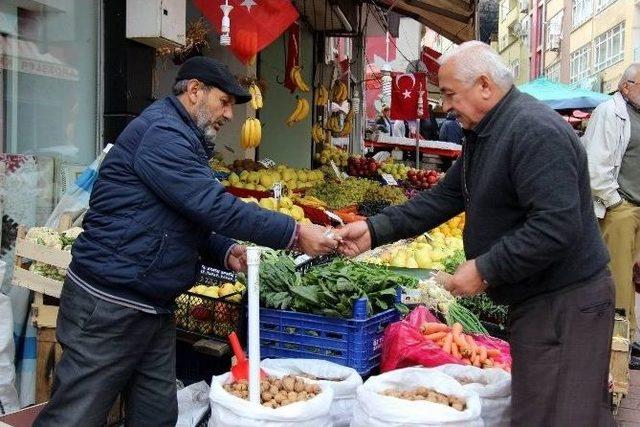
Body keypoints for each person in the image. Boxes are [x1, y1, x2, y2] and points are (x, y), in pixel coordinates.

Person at [34, 57, 340, 427]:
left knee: (157, 416)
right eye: (224, 102)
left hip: (151, 306)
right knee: (75, 417)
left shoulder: (183, 138)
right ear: (195, 91)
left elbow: (184, 215)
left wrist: (225, 250)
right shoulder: (161, 135)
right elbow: (212, 206)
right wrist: (294, 233)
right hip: (110, 305)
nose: (230, 115)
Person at [337, 41, 614, 427]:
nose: (446, 106)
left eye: (450, 94)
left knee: (560, 415)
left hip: (565, 302)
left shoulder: (534, 131)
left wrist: (485, 269)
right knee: (548, 410)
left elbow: (556, 226)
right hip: (539, 300)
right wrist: (372, 230)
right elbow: (443, 198)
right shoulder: (487, 134)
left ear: (484, 85)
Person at [582, 63, 640, 368]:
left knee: (634, 277)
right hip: (621, 207)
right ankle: (620, 342)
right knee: (618, 276)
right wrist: (615, 202)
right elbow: (596, 165)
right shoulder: (610, 111)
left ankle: (631, 336)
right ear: (626, 87)